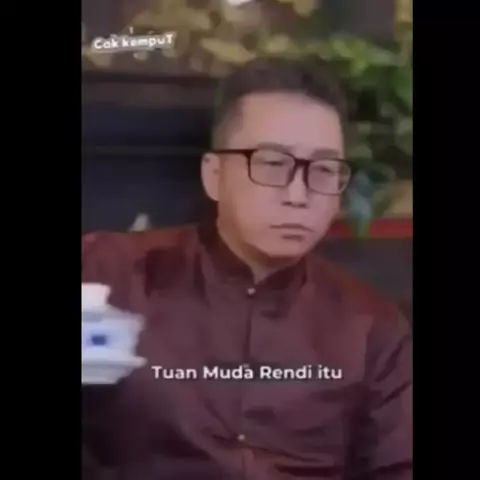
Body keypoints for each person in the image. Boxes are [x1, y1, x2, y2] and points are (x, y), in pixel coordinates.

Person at [82, 56, 412, 480]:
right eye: (273, 164)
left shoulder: (372, 328)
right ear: (214, 175)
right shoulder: (108, 274)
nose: (299, 195)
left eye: (324, 170)